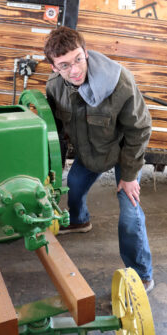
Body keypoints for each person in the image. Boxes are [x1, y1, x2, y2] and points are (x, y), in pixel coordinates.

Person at [44, 26, 154, 293]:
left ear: (87, 53)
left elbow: (139, 129)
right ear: (54, 67)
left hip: (124, 154)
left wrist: (129, 177)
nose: (74, 70)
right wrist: (50, 172)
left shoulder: (119, 82)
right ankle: (80, 220)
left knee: (130, 211)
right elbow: (54, 133)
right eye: (64, 65)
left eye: (78, 59)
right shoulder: (54, 88)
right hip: (90, 153)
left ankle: (141, 275)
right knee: (74, 185)